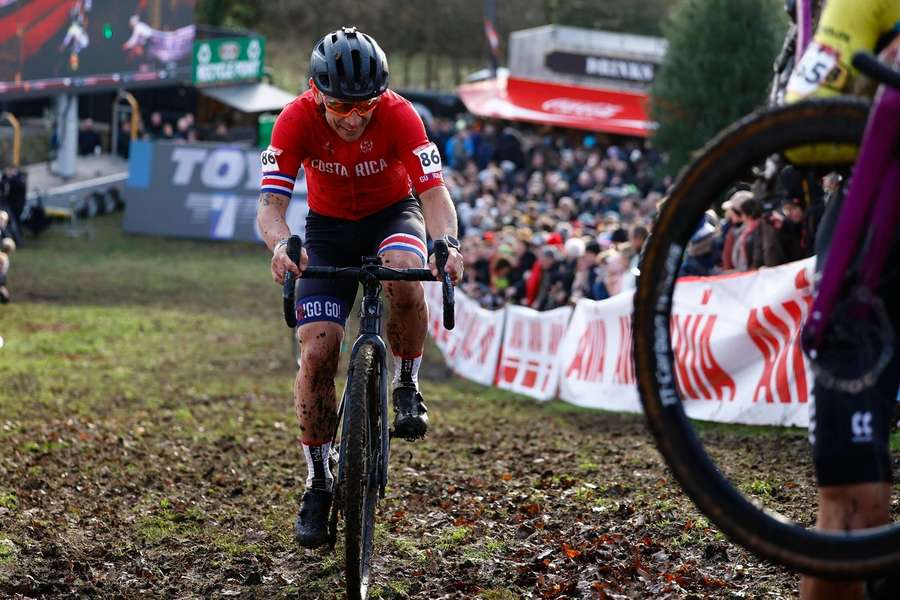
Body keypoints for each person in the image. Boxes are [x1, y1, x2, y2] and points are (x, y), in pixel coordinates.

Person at [255, 27, 464, 550]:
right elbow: (269, 207)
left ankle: (407, 381)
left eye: (365, 105)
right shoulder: (294, 118)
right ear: (315, 90)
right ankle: (318, 480)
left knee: (405, 276)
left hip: (393, 216)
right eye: (341, 105)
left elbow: (434, 196)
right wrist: (281, 245)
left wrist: (449, 243)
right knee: (319, 351)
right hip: (327, 230)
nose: (353, 118)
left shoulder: (400, 115)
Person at [785, 1, 900, 598]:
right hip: (875, 234)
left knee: (854, 507)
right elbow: (801, 134)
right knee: (854, 503)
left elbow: (800, 134)